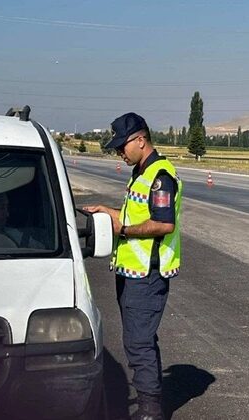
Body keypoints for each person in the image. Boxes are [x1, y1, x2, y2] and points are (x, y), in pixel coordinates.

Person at [83, 112, 182, 420]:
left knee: (139, 342)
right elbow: (137, 215)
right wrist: (110, 212)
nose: (119, 152)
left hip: (148, 276)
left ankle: (151, 411)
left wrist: (121, 230)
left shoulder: (160, 176)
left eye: (121, 146)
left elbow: (163, 225)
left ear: (140, 140)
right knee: (135, 340)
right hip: (131, 273)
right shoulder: (140, 172)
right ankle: (149, 403)